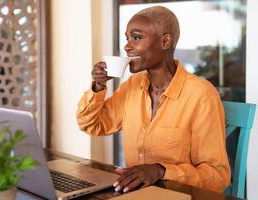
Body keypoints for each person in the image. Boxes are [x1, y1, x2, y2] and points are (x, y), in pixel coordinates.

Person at [77, 6, 230, 194]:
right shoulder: (132, 87)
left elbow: (217, 176)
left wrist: (160, 170)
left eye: (137, 37)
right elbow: (91, 124)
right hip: (136, 193)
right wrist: (98, 87)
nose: (127, 46)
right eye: (127, 38)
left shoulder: (201, 95)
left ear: (165, 41)